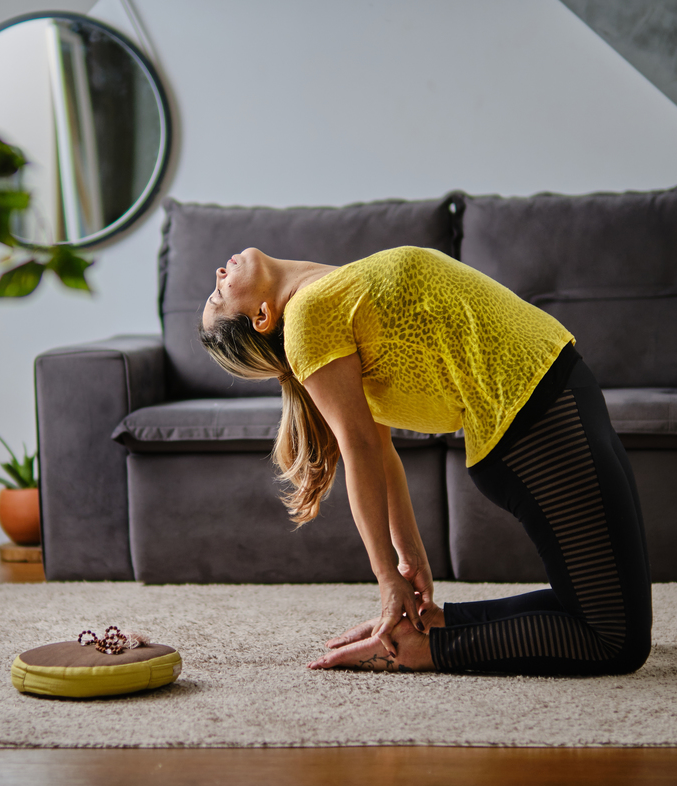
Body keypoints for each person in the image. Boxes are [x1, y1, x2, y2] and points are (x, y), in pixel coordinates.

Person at [199, 245, 651, 675]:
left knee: (616, 610)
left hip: (563, 392)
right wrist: (386, 576)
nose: (219, 274)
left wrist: (409, 556)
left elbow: (382, 450)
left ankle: (431, 626)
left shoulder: (330, 291)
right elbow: (360, 448)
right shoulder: (305, 318)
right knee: (615, 640)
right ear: (262, 317)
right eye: (219, 294)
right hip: (533, 428)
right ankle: (420, 650)